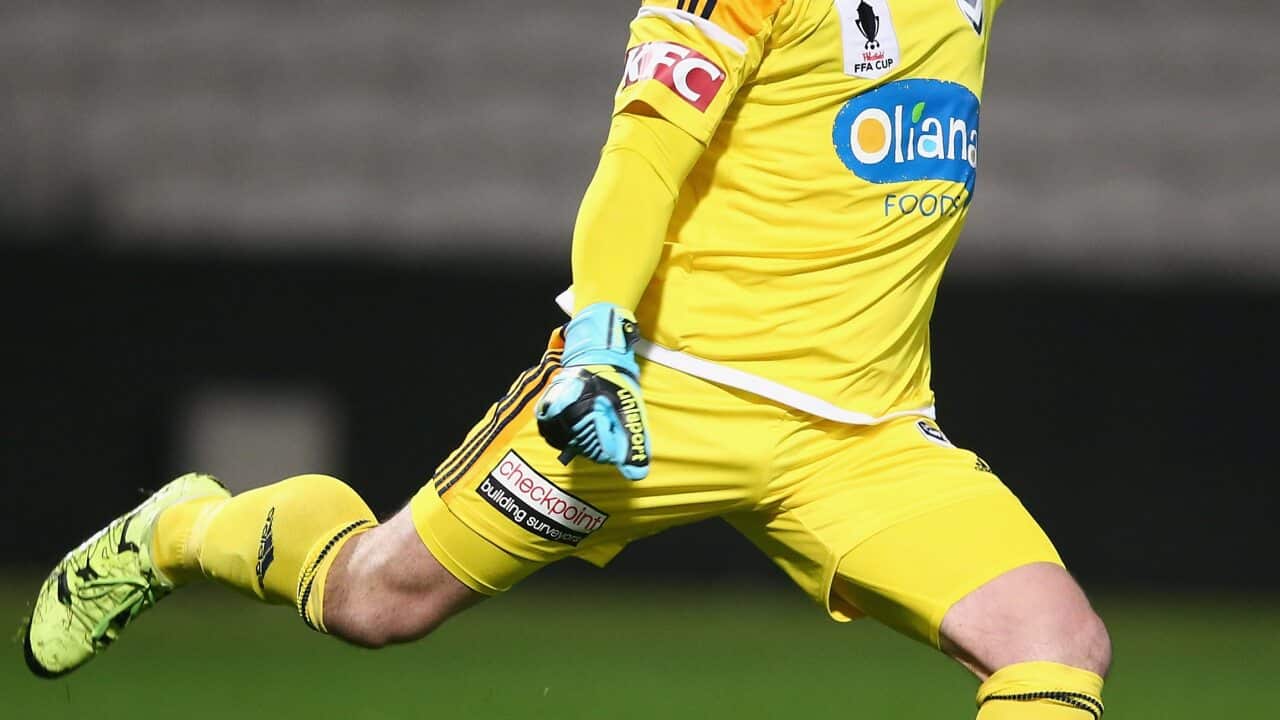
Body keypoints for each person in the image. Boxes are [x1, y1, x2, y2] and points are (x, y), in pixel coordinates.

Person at [24, 0, 1111, 716]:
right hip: (661, 397)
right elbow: (641, 160)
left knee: (1054, 644)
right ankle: (183, 530)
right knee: (375, 603)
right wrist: (598, 342)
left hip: (863, 437)